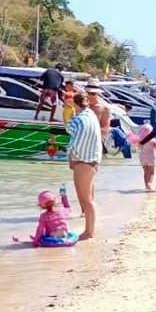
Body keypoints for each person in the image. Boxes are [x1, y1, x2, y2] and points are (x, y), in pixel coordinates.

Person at [66, 91, 103, 240]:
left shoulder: (78, 119)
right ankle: (90, 229)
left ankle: (89, 232)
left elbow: (74, 141)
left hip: (83, 162)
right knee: (89, 199)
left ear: (75, 104)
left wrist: (70, 156)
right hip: (93, 161)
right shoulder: (92, 115)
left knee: (85, 200)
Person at [133, 124, 156, 190]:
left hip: (142, 157)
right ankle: (149, 184)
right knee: (152, 173)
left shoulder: (139, 140)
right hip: (150, 157)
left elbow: (136, 147)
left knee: (146, 172)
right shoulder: (153, 140)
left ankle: (146, 186)